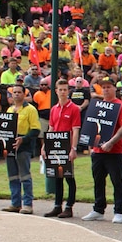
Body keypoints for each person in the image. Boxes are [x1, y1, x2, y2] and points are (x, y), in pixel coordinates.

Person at [82, 77, 122, 223]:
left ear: (115, 88)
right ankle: (98, 209)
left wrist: (111, 142)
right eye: (104, 87)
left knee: (117, 181)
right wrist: (90, 144)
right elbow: (91, 125)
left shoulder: (120, 106)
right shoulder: (97, 105)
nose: (106, 89)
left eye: (109, 86)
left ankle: (119, 211)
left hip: (115, 151)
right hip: (98, 151)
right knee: (98, 181)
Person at [44, 79, 81, 218]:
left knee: (69, 176)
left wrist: (73, 148)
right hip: (55, 146)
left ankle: (69, 206)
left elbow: (75, 130)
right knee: (57, 176)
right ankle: (57, 205)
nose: (63, 92)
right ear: (56, 91)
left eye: (65, 89)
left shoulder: (74, 109)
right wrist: (45, 146)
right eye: (61, 89)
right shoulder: (54, 109)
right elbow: (51, 128)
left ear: (68, 91)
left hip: (67, 145)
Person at [1, 85, 41, 214]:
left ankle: (28, 204)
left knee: (25, 176)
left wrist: (23, 139)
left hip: (24, 146)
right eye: (14, 92)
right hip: (10, 146)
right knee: (13, 176)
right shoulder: (10, 110)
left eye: (19, 92)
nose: (16, 94)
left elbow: (36, 129)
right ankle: (15, 203)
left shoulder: (30, 110)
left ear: (24, 94)